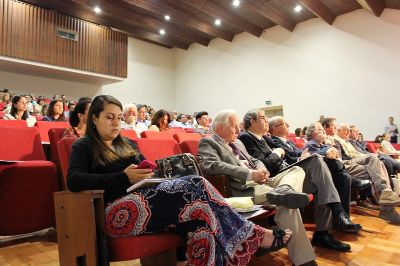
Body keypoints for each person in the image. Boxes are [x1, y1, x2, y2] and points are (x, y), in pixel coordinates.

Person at [67, 95, 292, 265]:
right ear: (94, 119)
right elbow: (74, 181)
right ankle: (251, 234)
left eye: (118, 117)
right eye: (109, 117)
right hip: (115, 212)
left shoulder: (128, 145)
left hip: (148, 203)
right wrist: (122, 177)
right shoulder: (84, 146)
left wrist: (152, 173)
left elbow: (150, 170)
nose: (116, 123)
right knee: (195, 183)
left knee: (201, 223)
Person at [198, 109, 318, 266]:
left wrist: (262, 170)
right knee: (287, 203)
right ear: (220, 128)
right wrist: (249, 174)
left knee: (296, 170)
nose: (238, 130)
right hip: (244, 187)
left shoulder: (238, 142)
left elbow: (254, 159)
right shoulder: (208, 142)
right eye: (234, 126)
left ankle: (285, 189)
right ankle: (305, 260)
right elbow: (211, 166)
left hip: (263, 180)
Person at [242, 112, 361, 251]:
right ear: (252, 121)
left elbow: (289, 156)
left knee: (321, 182)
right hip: (278, 178)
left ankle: (323, 233)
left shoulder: (265, 139)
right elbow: (265, 164)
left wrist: (301, 157)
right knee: (317, 161)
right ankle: (338, 211)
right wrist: (277, 153)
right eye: (263, 118)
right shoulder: (246, 137)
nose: (267, 120)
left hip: (289, 171)